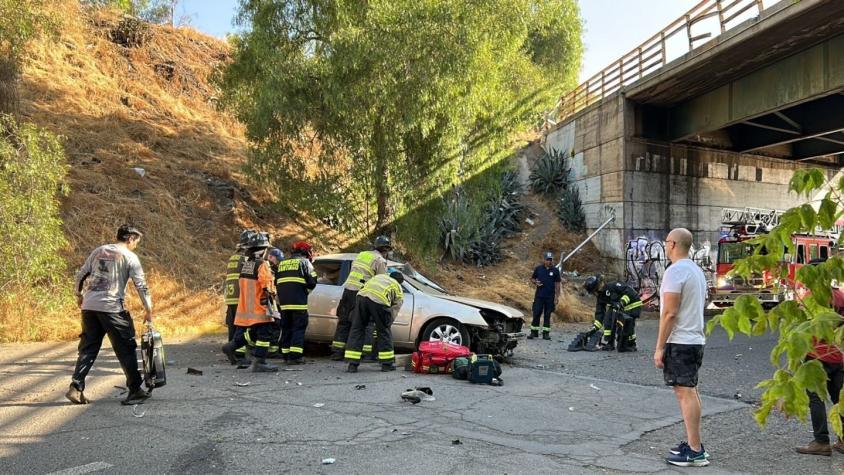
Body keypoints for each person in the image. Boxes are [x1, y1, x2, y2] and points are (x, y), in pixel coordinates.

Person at [67, 224, 154, 405]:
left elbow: (81, 274)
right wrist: (148, 309)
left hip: (89, 307)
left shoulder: (99, 251)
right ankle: (135, 390)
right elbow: (141, 285)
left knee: (88, 347)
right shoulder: (130, 256)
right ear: (130, 238)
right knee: (126, 347)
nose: (136, 245)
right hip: (112, 307)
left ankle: (76, 387)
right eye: (136, 241)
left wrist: (79, 295)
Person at [655, 228, 710, 467]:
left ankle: (695, 451)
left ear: (673, 244)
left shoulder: (675, 271)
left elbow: (669, 313)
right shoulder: (696, 271)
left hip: (681, 341)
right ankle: (694, 444)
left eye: (667, 242)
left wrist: (659, 347)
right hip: (694, 339)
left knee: (684, 392)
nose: (665, 246)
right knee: (690, 390)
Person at [795, 282, 844, 456]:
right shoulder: (840, 296)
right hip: (837, 355)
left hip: (815, 356)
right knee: (839, 400)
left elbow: (802, 326)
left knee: (816, 398)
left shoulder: (812, 297)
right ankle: (843, 440)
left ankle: (821, 442)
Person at [222, 232, 279, 373]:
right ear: (263, 250)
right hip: (259, 307)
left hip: (245, 307)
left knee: (252, 334)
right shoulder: (262, 265)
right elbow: (267, 285)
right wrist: (272, 296)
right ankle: (259, 362)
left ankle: (231, 346)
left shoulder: (246, 265)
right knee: (265, 334)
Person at [329, 235, 391, 360]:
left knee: (344, 321)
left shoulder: (362, 254)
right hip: (362, 293)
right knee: (366, 323)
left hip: (348, 290)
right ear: (385, 250)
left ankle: (337, 352)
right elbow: (381, 281)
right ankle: (365, 353)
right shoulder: (380, 260)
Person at [344, 272, 404, 373]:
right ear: (400, 282)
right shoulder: (398, 287)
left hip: (361, 297)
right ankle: (386, 364)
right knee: (384, 331)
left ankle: (352, 364)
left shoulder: (380, 277)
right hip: (379, 300)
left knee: (357, 329)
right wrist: (387, 323)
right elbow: (394, 309)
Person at [276, 241, 317, 364]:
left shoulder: (282, 264)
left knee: (286, 328)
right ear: (305, 252)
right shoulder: (305, 263)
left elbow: (276, 282)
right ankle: (295, 357)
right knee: (298, 328)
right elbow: (313, 281)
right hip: (299, 303)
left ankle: (285, 355)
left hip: (284, 304)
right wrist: (305, 292)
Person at [583, 274, 642, 351]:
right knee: (608, 320)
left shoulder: (612, 286)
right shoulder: (601, 297)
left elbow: (629, 292)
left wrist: (621, 302)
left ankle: (631, 344)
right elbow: (600, 314)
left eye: (594, 291)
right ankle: (610, 343)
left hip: (633, 305)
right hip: (618, 307)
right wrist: (594, 328)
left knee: (625, 323)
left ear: (597, 287)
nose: (595, 294)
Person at [223, 230, 254, 364]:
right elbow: (249, 277)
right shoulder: (246, 259)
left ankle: (233, 353)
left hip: (231, 298)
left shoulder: (233, 257)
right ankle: (239, 356)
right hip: (240, 297)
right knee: (242, 327)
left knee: (233, 327)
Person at [528, 252, 561, 340]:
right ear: (544, 260)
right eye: (547, 259)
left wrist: (557, 297)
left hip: (550, 297)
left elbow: (557, 284)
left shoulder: (555, 270)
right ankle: (533, 332)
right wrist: (535, 282)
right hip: (539, 296)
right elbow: (532, 278)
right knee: (536, 313)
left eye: (550, 260)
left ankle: (546, 333)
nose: (549, 261)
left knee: (547, 315)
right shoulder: (538, 269)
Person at [265, 247, 285, 358]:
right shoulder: (268, 269)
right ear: (272, 258)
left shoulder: (273, 269)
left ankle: (272, 349)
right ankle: (272, 350)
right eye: (278, 260)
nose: (279, 262)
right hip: (270, 301)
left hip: (273, 301)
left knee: (274, 324)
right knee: (275, 324)